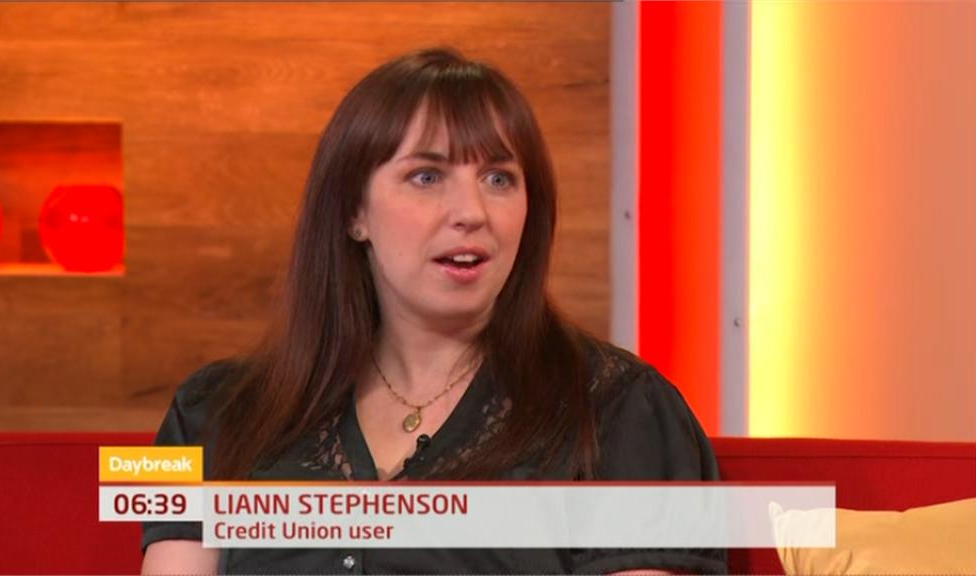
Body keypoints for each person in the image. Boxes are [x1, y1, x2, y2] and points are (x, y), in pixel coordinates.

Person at [141, 47, 725, 575]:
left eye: (499, 178)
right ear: (354, 213)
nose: (471, 211)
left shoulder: (619, 410)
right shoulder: (214, 414)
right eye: (427, 176)